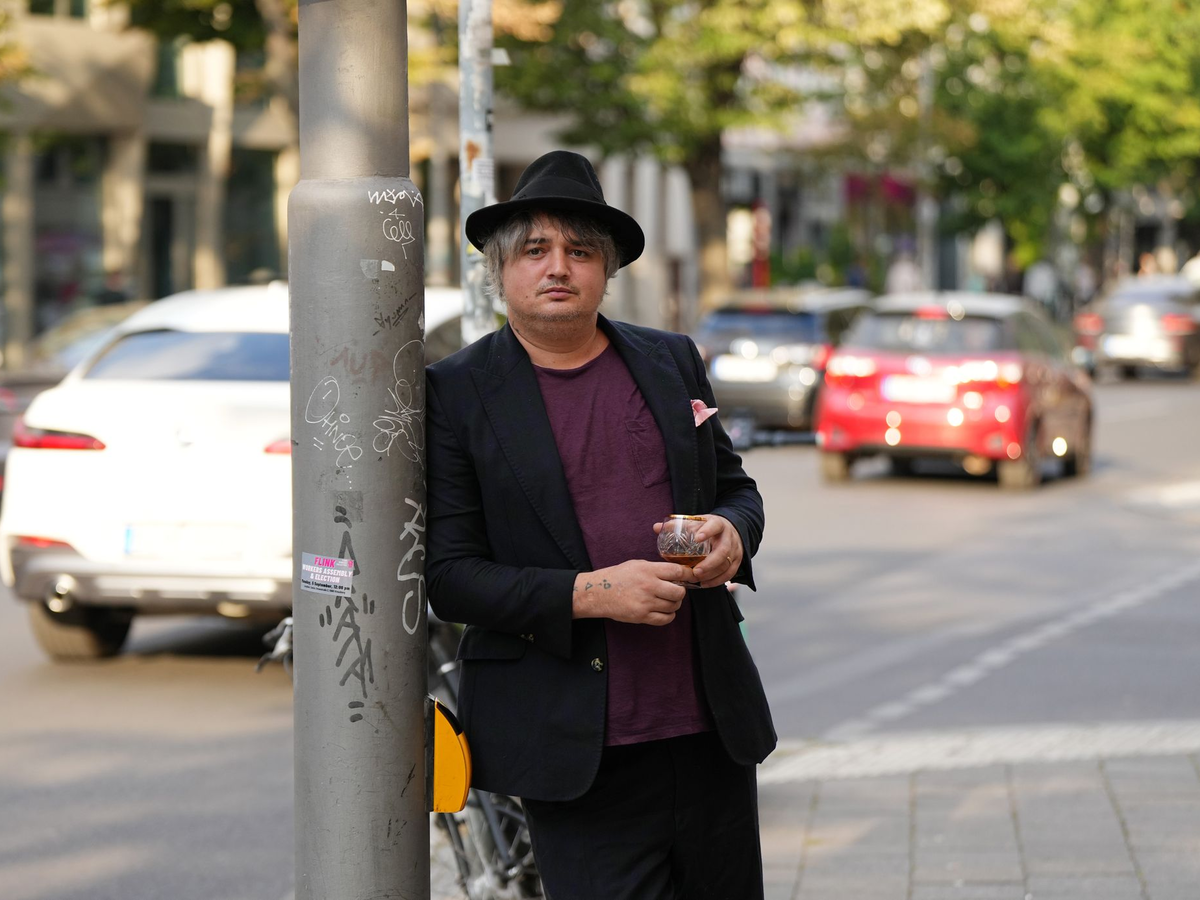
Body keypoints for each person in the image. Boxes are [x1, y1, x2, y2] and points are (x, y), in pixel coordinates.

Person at [425, 150, 776, 900]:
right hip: (572, 744)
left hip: (707, 729)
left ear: (606, 270)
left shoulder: (670, 360)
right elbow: (451, 578)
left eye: (580, 251)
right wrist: (592, 594)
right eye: (535, 250)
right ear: (499, 270)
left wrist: (731, 532)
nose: (559, 266)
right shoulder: (456, 391)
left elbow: (735, 488)